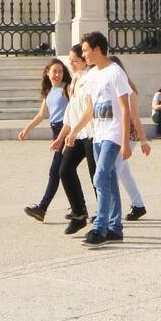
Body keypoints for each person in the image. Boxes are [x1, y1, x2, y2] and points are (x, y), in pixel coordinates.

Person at [64, 32, 132, 248]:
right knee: (109, 179)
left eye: (85, 50)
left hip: (113, 134)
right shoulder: (92, 75)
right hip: (98, 135)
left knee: (100, 177)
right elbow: (90, 109)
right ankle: (115, 228)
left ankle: (100, 227)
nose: (83, 54)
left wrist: (126, 141)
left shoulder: (115, 72)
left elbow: (125, 107)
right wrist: (74, 131)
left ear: (97, 49)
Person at [20, 57, 73, 222]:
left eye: (60, 71)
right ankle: (78, 206)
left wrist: (63, 135)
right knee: (65, 172)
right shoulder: (49, 91)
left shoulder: (67, 88)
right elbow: (41, 114)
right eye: (54, 71)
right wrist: (27, 129)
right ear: (47, 73)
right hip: (55, 130)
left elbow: (74, 110)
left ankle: (42, 208)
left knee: (55, 172)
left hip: (65, 130)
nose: (57, 74)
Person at [51, 44, 95, 234]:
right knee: (65, 170)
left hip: (91, 134)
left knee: (97, 179)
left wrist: (74, 131)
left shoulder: (91, 79)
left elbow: (89, 110)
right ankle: (79, 213)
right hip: (76, 134)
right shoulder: (74, 80)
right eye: (70, 60)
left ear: (84, 61)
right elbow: (71, 112)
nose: (71, 63)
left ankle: (106, 217)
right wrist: (61, 137)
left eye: (75, 60)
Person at [108, 57, 152, 222]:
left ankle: (109, 213)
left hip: (129, 135)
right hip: (116, 134)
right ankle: (138, 205)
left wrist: (143, 141)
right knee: (123, 173)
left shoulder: (128, 89)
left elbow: (135, 116)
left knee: (112, 173)